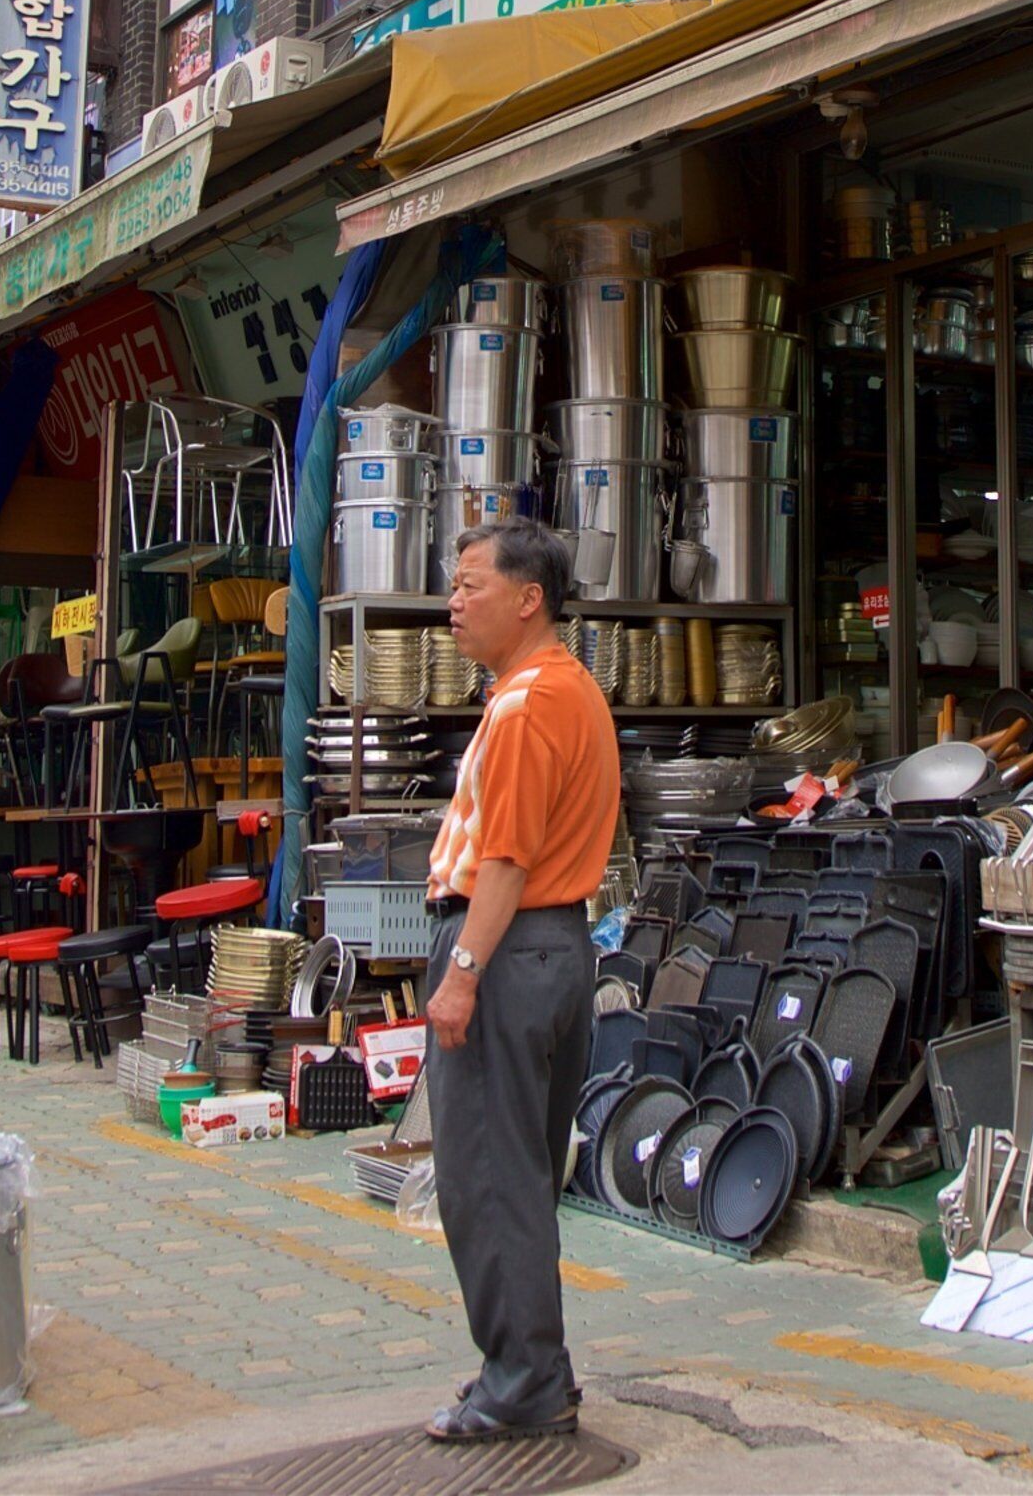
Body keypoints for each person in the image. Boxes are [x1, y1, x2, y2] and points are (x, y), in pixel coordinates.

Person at [419, 518, 615, 1445]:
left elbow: (504, 858)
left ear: (528, 598)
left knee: (488, 1178)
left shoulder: (529, 701)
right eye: (453, 587)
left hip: (507, 951)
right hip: (553, 951)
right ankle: (532, 1365)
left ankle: (525, 1384)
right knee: (519, 1175)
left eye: (470, 586)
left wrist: (461, 971)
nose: (454, 603)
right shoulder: (565, 688)